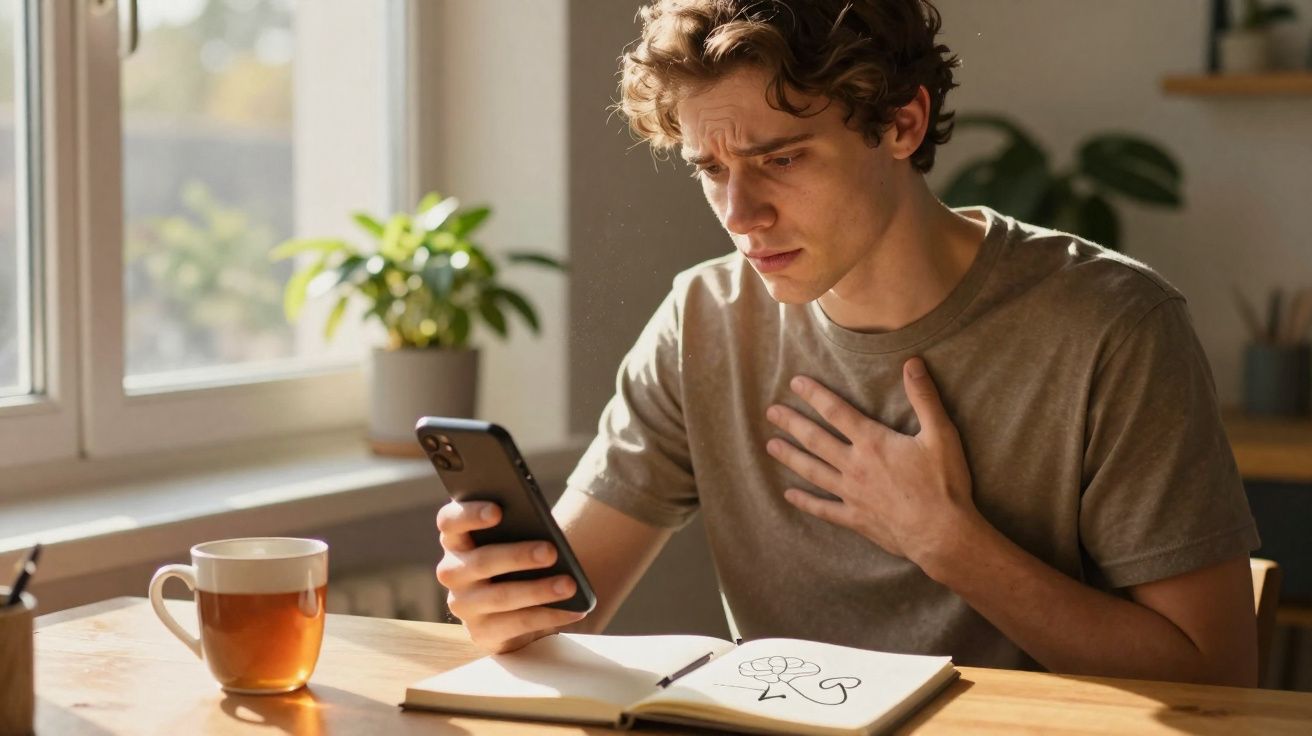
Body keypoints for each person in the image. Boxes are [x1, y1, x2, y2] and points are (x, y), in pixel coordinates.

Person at [436, 0, 1261, 686]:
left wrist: (949, 542)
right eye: (710, 170)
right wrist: (502, 603)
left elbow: (1216, 683)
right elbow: (561, 605)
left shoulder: (1114, 326)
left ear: (902, 123)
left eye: (782, 158)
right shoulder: (705, 320)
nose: (740, 215)